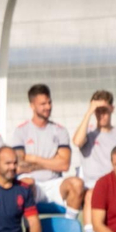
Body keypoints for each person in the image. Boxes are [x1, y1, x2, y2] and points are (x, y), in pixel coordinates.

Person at [10, 84, 86, 217]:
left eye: (49, 102)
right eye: (43, 104)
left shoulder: (60, 131)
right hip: (33, 183)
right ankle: (29, 231)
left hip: (54, 183)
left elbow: (64, 165)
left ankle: (70, 225)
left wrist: (33, 158)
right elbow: (19, 166)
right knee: (26, 184)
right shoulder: (21, 131)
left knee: (77, 184)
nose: (48, 107)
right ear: (32, 106)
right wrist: (53, 162)